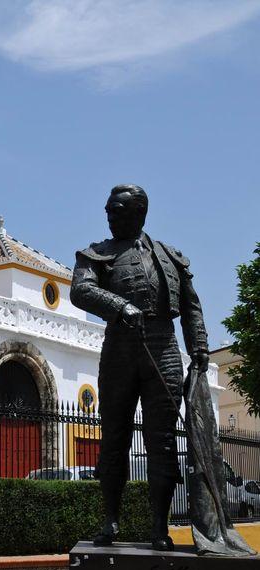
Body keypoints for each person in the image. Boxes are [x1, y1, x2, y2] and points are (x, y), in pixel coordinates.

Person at [70, 184, 209, 551]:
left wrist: (200, 350)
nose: (109, 215)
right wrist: (119, 306)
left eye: (116, 209)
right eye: (108, 209)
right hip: (119, 348)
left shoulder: (170, 257)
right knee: (113, 439)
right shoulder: (95, 254)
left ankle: (159, 529)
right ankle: (110, 523)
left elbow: (191, 307)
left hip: (163, 348)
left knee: (161, 443)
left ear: (139, 213)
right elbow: (80, 291)